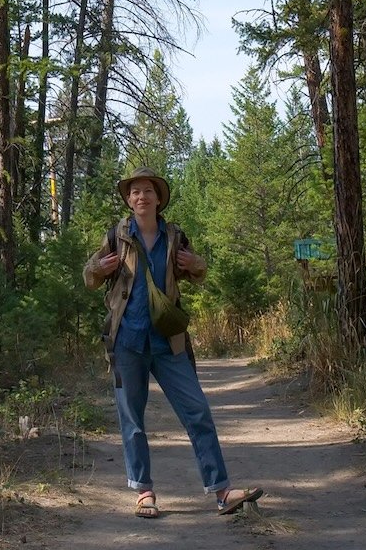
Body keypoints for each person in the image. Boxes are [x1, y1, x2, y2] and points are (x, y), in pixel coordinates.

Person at [84, 166, 263, 520]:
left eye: (148, 191)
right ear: (128, 199)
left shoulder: (174, 236)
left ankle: (223, 491)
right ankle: (144, 491)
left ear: (158, 198)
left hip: (169, 342)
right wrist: (98, 270)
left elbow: (197, 273)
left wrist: (197, 264)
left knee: (197, 412)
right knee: (132, 420)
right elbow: (89, 276)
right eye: (135, 191)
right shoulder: (116, 236)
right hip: (127, 342)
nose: (141, 197)